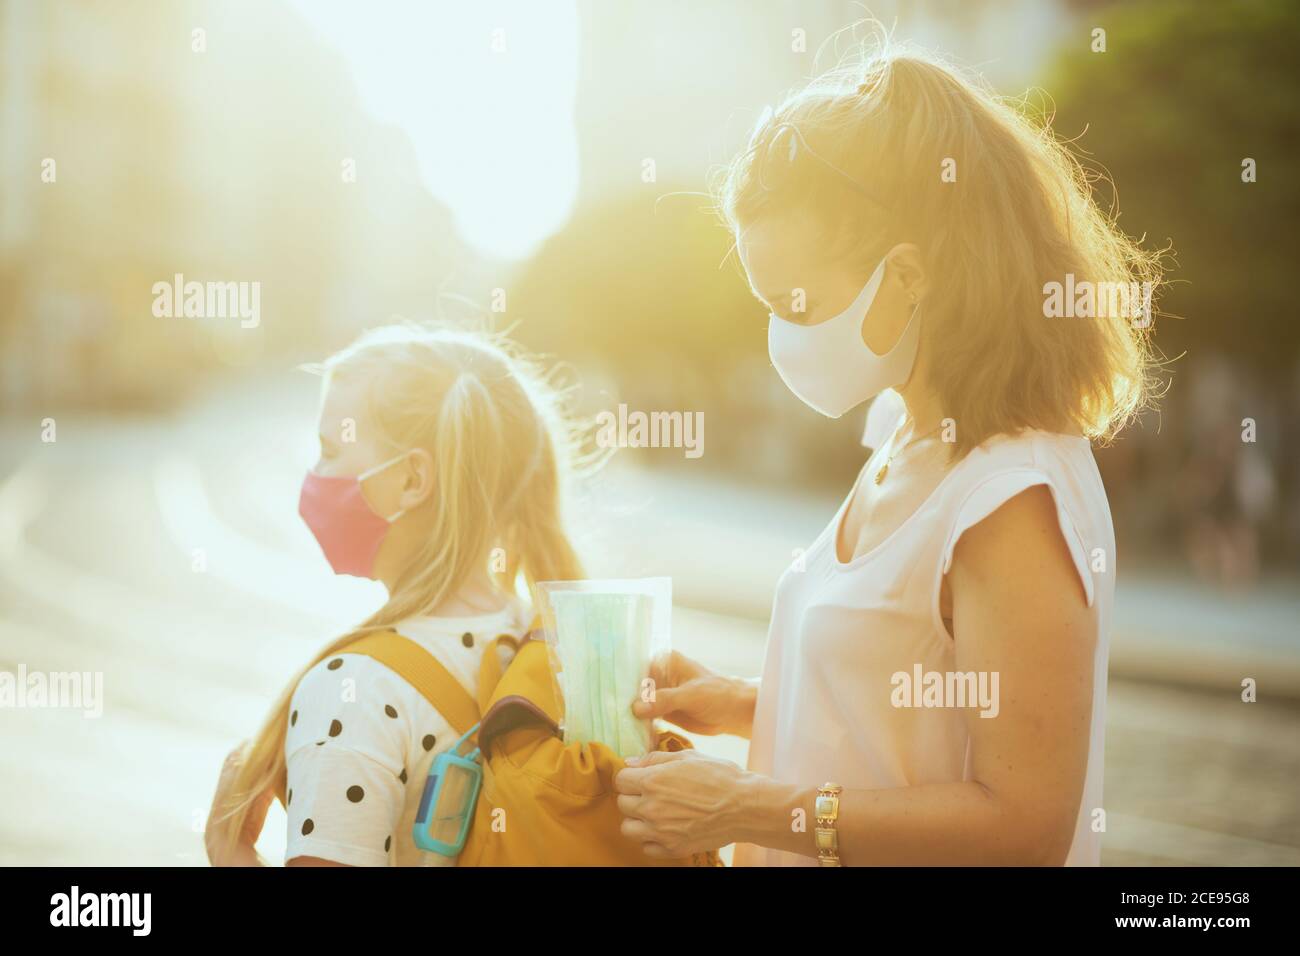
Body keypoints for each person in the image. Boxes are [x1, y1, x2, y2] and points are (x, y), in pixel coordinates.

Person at [614, 42, 1162, 866]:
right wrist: (738, 704)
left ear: (907, 276)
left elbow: (1023, 826)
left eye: (796, 304)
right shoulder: (901, 436)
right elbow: (906, 716)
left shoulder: (1009, 497)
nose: (781, 336)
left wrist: (748, 809)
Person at [205, 323, 583, 866]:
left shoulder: (354, 691)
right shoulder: (553, 646)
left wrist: (229, 856)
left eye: (329, 449)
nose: (314, 475)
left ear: (411, 480)